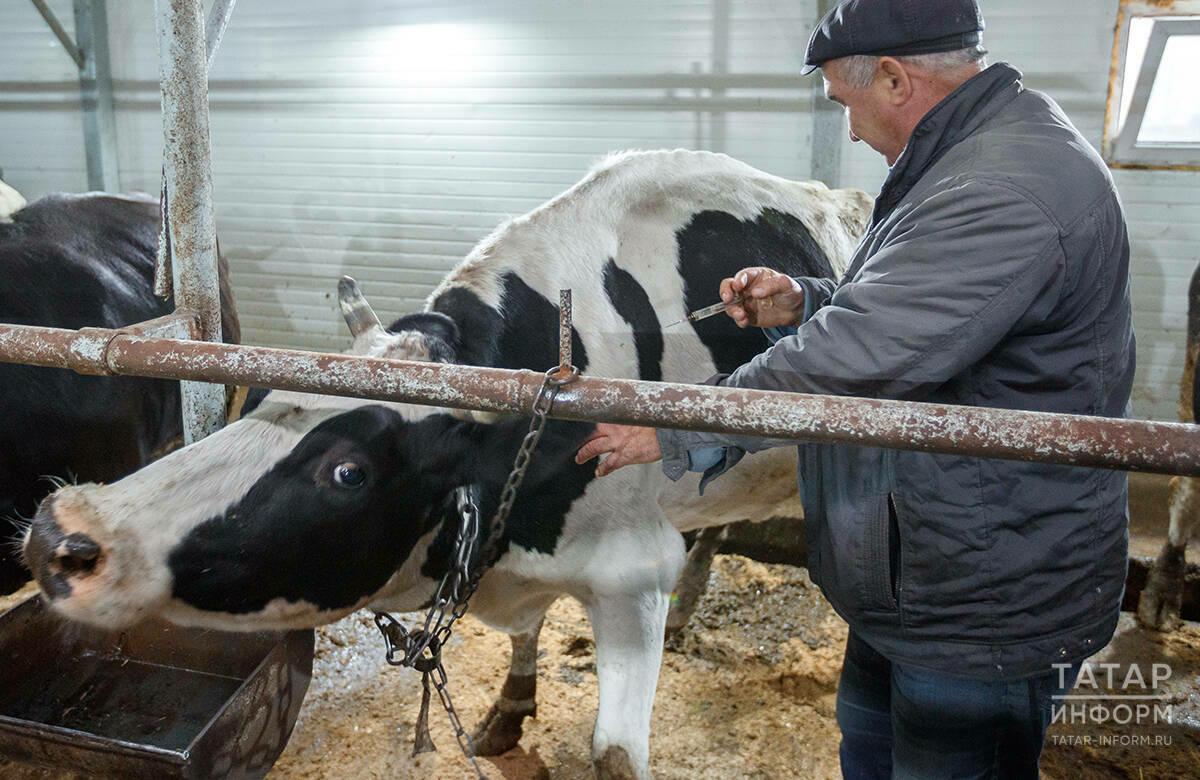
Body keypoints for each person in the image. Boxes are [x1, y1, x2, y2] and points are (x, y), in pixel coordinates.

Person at [574, 0, 1135, 776]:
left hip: (982, 598)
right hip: (919, 569)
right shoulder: (964, 154)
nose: (848, 129)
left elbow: (859, 356)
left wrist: (676, 425)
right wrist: (806, 299)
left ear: (897, 79)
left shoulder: (1004, 187)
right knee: (870, 753)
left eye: (846, 103)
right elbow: (919, 319)